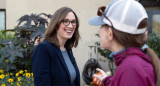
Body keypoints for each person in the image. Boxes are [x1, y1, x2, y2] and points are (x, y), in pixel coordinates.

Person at [88, 0, 160, 86]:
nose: (99, 31)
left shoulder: (130, 69)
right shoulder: (132, 66)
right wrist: (108, 80)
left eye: (101, 26)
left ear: (110, 33)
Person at [32, 7, 80, 86]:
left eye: (73, 22)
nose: (71, 26)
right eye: (66, 21)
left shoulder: (67, 49)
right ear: (56, 24)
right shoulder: (43, 49)